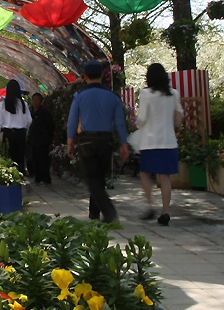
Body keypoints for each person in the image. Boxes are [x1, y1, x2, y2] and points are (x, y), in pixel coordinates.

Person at [67, 60, 130, 224]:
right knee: (99, 177)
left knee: (92, 179)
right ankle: (94, 213)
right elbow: (120, 123)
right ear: (103, 74)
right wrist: (124, 144)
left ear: (85, 76)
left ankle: (109, 211)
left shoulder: (79, 97)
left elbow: (73, 122)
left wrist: (69, 142)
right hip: (106, 141)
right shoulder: (112, 97)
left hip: (86, 141)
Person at [135, 63, 183, 226]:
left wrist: (136, 125)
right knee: (165, 177)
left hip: (150, 141)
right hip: (169, 141)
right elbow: (178, 120)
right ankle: (165, 211)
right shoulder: (174, 94)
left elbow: (141, 118)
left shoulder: (146, 94)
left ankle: (150, 206)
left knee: (145, 173)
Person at [0, 80, 32, 175]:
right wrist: (25, 128)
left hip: (8, 134)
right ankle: (21, 175)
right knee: (20, 157)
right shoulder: (24, 104)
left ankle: (11, 177)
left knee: (9, 157)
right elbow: (29, 120)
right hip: (21, 133)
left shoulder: (3, 104)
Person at [28, 93, 55, 186]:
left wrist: (47, 138)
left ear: (41, 101)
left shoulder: (44, 113)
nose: (35, 102)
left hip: (42, 141)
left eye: (37, 100)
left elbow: (50, 127)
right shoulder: (30, 113)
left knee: (43, 160)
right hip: (33, 141)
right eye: (34, 100)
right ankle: (37, 178)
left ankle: (46, 179)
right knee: (34, 160)